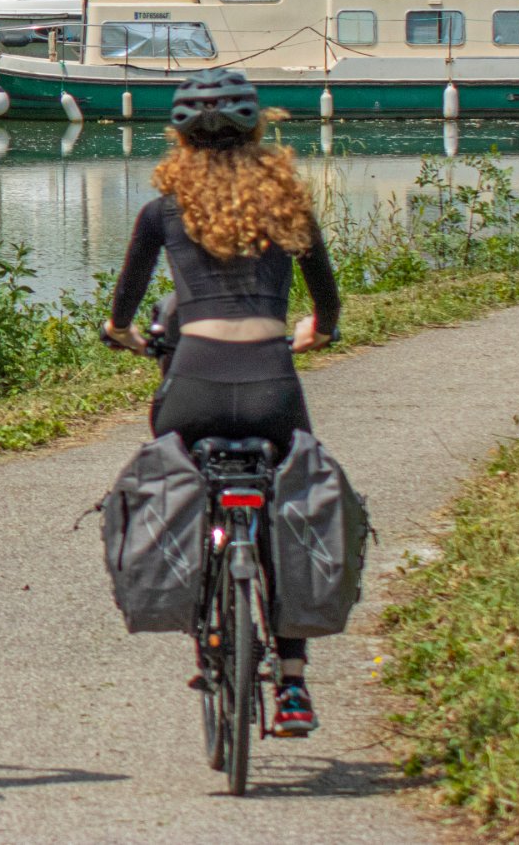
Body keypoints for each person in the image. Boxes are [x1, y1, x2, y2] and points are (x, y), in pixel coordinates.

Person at [102, 70, 342, 737]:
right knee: (288, 511)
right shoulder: (288, 202)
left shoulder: (162, 210)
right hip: (272, 383)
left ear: (177, 136)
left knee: (178, 479)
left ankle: (200, 587)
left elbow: (124, 304)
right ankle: (292, 685)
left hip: (194, 382)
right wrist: (316, 330)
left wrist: (120, 333)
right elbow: (326, 304)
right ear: (259, 129)